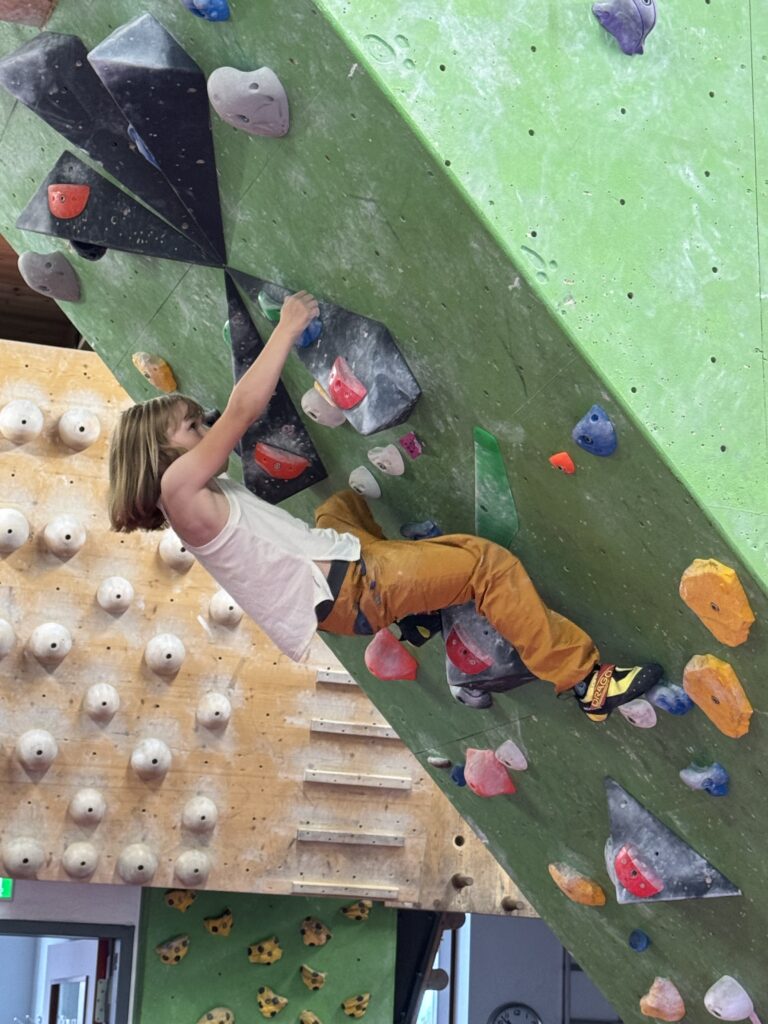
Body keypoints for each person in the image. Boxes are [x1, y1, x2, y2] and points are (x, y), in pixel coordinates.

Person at [108, 290, 662, 722]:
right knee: (486, 565)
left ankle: (416, 608)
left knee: (339, 507)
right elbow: (241, 410)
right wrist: (287, 328)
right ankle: (584, 680)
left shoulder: (195, 498)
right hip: (357, 585)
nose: (202, 431)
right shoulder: (179, 487)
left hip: (346, 577)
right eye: (190, 427)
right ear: (159, 450)